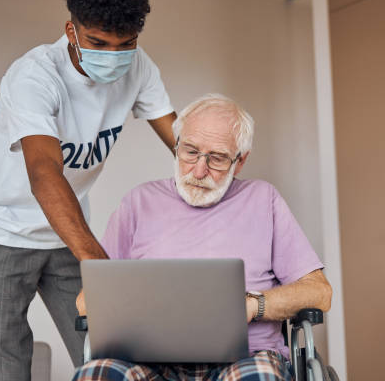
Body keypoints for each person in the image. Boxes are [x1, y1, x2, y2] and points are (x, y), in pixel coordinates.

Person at [0, 0, 177, 380]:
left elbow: (180, 139)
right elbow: (44, 172)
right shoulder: (34, 76)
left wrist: (216, 156)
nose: (113, 55)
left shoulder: (140, 67)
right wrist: (101, 266)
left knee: (108, 351)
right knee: (8, 360)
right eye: (98, 43)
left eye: (125, 44)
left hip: (67, 229)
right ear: (72, 30)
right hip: (2, 230)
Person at [73, 94, 333, 381]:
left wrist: (253, 305)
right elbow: (86, 303)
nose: (199, 170)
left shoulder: (264, 199)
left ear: (241, 160)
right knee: (95, 375)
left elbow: (319, 293)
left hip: (246, 357)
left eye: (218, 158)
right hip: (146, 360)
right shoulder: (138, 202)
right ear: (176, 147)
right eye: (190, 152)